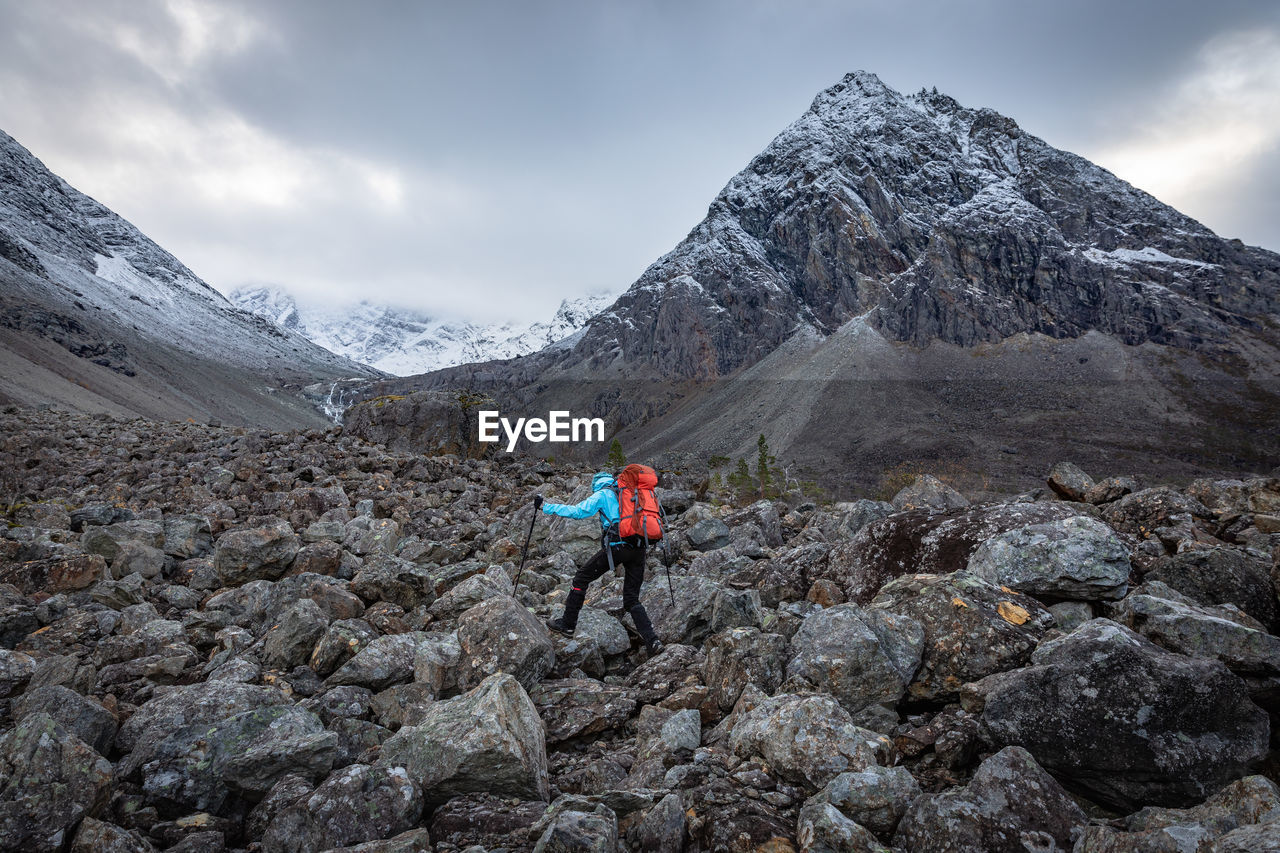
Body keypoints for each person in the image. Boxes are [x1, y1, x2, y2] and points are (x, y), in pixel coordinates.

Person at [540, 471, 664, 654]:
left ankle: (567, 624)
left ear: (596, 484)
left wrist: (545, 507)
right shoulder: (630, 493)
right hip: (639, 549)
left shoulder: (603, 493)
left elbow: (578, 511)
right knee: (631, 599)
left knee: (581, 578)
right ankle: (653, 642)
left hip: (617, 548)